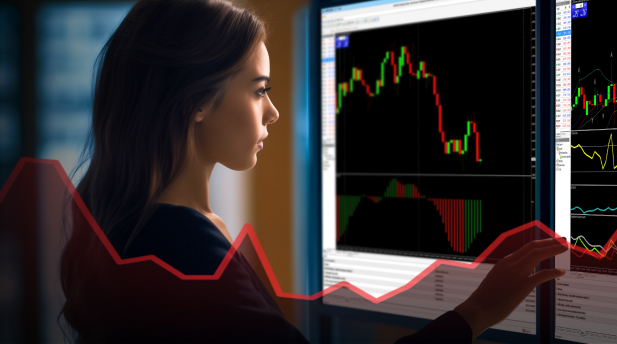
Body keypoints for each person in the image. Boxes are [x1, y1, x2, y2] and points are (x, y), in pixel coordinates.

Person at [59, 0, 568, 342]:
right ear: (196, 100)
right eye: (259, 90)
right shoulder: (181, 251)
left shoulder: (126, 226)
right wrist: (476, 312)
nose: (274, 113)